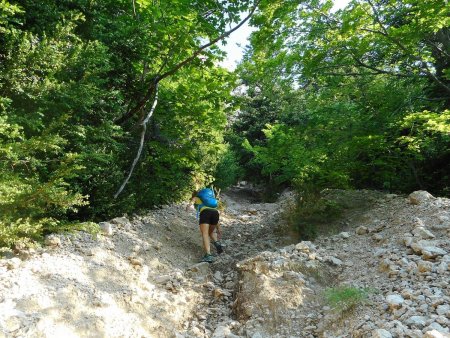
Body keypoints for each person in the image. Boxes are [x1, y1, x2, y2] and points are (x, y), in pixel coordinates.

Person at [186, 190, 224, 263]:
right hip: (215, 214)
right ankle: (217, 243)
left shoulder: (196, 197)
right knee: (211, 232)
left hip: (205, 213)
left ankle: (208, 255)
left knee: (205, 234)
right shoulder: (211, 201)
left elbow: (191, 203)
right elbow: (216, 219)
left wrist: (188, 206)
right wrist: (218, 228)